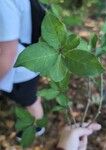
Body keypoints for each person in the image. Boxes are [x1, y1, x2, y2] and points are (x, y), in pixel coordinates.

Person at [0, 0, 45, 140]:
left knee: (30, 100)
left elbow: (8, 53)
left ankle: (37, 127)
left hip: (22, 69)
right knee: (30, 97)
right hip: (29, 59)